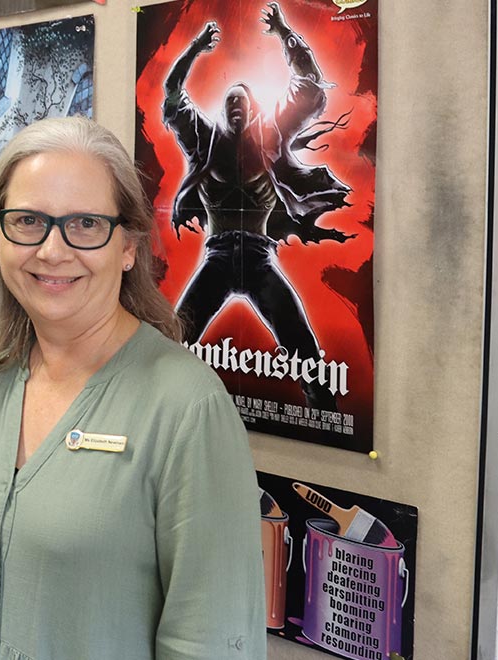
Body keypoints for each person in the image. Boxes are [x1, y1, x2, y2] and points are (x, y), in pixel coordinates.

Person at [0, 116, 265, 659]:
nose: (52, 250)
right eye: (27, 221)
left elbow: (212, 641)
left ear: (129, 246)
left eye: (86, 224)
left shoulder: (186, 407)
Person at [163, 2, 352, 411]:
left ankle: (326, 418)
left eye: (243, 101)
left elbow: (310, 86)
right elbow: (172, 94)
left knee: (304, 349)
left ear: (252, 110)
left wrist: (285, 33)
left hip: (261, 257)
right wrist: (195, 49)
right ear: (223, 109)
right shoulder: (203, 142)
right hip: (217, 257)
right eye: (230, 99)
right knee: (170, 342)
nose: (236, 105)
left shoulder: (271, 139)